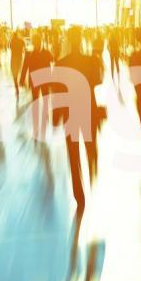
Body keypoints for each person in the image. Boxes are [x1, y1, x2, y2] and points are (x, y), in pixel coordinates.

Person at [55, 27, 103, 211]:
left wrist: (57, 115)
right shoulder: (91, 60)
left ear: (67, 40)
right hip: (88, 109)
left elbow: (57, 91)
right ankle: (93, 168)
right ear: (81, 39)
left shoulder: (60, 64)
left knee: (73, 154)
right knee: (91, 145)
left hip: (69, 113)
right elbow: (98, 81)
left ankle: (78, 194)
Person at [20, 34, 55, 141]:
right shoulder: (37, 53)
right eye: (37, 42)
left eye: (38, 41)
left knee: (43, 99)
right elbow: (25, 67)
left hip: (42, 80)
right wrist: (21, 79)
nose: (38, 43)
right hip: (38, 81)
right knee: (37, 99)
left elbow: (53, 61)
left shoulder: (37, 53)